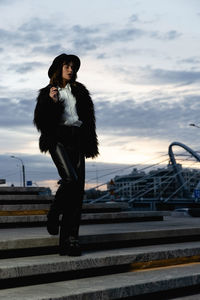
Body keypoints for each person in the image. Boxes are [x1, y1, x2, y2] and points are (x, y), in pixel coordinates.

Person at [33, 53, 99, 256]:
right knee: (70, 179)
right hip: (58, 139)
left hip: (77, 139)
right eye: (67, 66)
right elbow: (42, 123)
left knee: (77, 192)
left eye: (73, 67)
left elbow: (88, 120)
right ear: (58, 68)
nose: (71, 70)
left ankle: (70, 240)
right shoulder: (48, 92)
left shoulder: (80, 91)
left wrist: (88, 142)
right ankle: (53, 215)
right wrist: (52, 103)